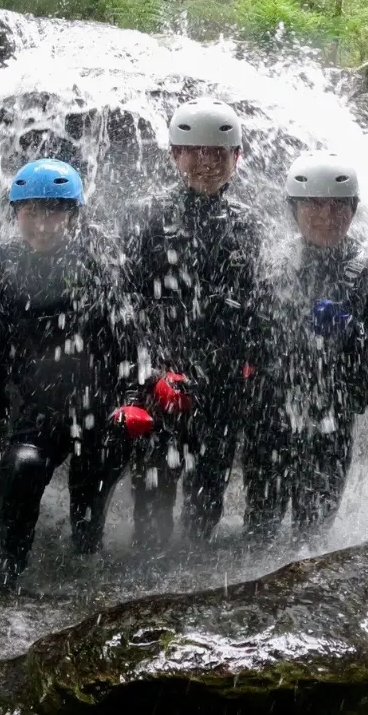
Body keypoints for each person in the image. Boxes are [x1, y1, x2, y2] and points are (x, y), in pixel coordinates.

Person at [0, 159, 140, 592]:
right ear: (17, 214)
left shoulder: (98, 257)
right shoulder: (8, 260)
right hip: (40, 406)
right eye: (32, 213)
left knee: (92, 487)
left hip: (98, 406)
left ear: (72, 215)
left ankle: (86, 560)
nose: (43, 225)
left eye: (54, 212)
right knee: (21, 467)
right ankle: (8, 566)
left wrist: (132, 400)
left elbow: (127, 336)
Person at [122, 97, 266, 547]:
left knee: (207, 504)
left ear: (236, 158)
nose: (207, 162)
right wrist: (152, 375)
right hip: (161, 383)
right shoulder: (146, 217)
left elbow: (255, 307)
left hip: (221, 386)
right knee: (153, 507)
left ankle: (195, 592)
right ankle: (147, 592)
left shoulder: (248, 225)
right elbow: (127, 306)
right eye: (195, 151)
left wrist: (249, 363)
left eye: (218, 153)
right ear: (175, 154)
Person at [242, 152, 368, 543]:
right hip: (269, 424)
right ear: (293, 209)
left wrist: (354, 329)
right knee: (258, 532)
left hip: (332, 425)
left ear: (353, 210)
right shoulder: (270, 267)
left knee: (312, 539)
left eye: (338, 205)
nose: (327, 214)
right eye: (314, 203)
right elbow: (249, 342)